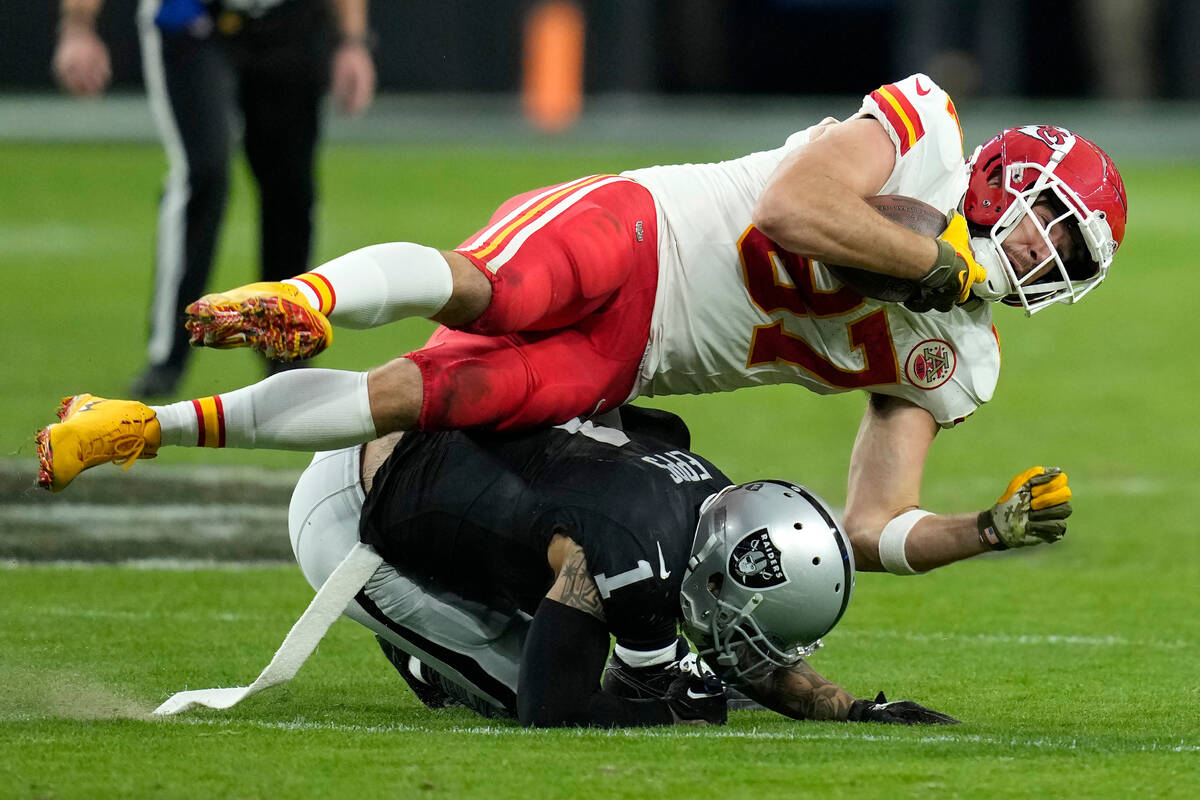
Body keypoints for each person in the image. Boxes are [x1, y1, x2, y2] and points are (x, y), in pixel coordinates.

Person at [37, 74, 1118, 578]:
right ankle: (309, 299)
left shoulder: (956, 360)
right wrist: (936, 257)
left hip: (635, 354)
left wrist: (983, 532)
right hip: (650, 226)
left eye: (1065, 261)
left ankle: (139, 423)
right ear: (1007, 177)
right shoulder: (923, 127)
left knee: (417, 397)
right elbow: (798, 210)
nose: (1042, 260)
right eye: (1049, 231)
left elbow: (872, 523)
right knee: (489, 288)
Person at [282, 405, 957, 726]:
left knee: (649, 658)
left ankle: (479, 583)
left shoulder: (710, 499)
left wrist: (849, 710)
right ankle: (423, 656)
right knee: (524, 685)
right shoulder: (627, 551)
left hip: (450, 451)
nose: (765, 648)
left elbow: (741, 647)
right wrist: (669, 716)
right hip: (351, 514)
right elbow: (553, 710)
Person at [51, 0, 376, 397]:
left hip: (288, 22)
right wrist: (78, 28)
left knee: (291, 186)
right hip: (192, 17)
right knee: (203, 174)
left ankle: (285, 350)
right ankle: (168, 353)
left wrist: (353, 41)